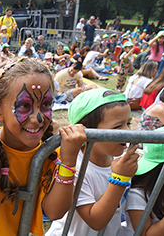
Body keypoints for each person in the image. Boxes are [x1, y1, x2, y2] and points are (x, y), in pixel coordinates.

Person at [0, 57, 87, 235]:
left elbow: (54, 212)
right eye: (24, 106)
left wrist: (68, 161)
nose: (37, 118)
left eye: (45, 104)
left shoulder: (49, 153)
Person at [46, 88, 138, 236]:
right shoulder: (78, 168)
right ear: (86, 131)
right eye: (117, 127)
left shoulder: (119, 161)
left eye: (128, 123)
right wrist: (120, 179)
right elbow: (95, 221)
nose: (127, 131)